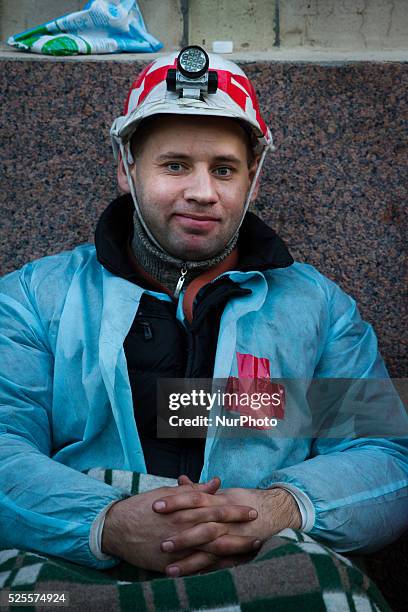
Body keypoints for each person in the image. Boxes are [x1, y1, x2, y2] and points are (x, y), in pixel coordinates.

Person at [0, 46, 407, 600]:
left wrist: (276, 508)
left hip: (270, 554)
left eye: (223, 169)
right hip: (74, 564)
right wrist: (109, 522)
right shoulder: (35, 298)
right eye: (174, 165)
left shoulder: (316, 310)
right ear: (126, 168)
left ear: (254, 180)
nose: (201, 192)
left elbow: (384, 457)